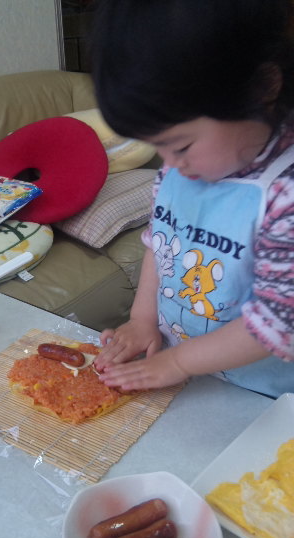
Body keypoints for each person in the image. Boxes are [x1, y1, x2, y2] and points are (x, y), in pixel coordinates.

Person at [91, 0, 294, 397]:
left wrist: (178, 362)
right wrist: (143, 318)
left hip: (262, 399)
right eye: (157, 147)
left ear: (262, 88)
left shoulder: (284, 194)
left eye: (181, 145)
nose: (168, 164)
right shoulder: (179, 169)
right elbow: (159, 245)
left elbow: (278, 322)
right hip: (189, 380)